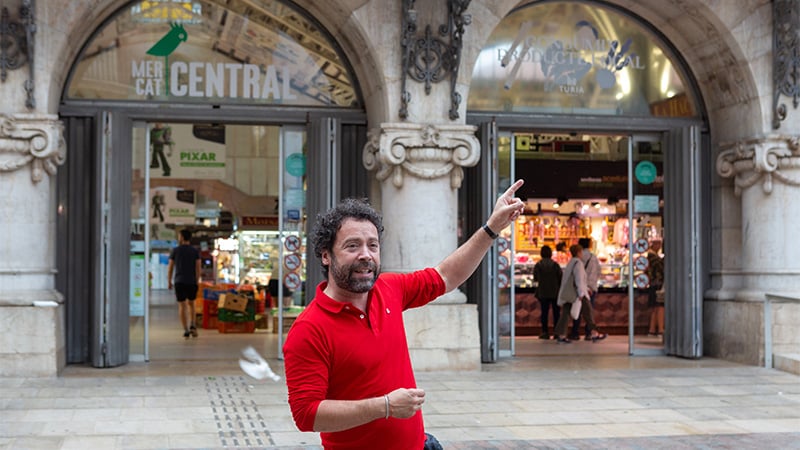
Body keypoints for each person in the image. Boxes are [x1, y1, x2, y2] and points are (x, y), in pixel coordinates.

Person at [282, 180, 525, 450]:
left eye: (373, 245)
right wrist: (385, 406)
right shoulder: (309, 329)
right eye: (352, 246)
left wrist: (491, 228)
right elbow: (306, 414)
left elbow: (446, 276)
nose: (366, 255)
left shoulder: (389, 289)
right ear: (326, 255)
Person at [553, 244, 607, 344]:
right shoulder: (578, 264)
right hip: (578, 293)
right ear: (578, 252)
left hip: (571, 293)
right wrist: (582, 292)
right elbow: (579, 279)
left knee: (566, 313)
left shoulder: (571, 262)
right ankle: (594, 333)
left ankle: (561, 335)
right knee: (588, 312)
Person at [168, 229, 201, 339]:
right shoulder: (194, 251)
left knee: (182, 305)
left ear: (182, 237)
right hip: (191, 281)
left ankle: (186, 330)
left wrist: (169, 281)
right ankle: (193, 325)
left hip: (179, 281)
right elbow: (198, 267)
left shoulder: (175, 251)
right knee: (192, 303)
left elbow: (170, 267)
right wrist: (197, 280)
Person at [570, 237, 600, 340]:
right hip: (591, 287)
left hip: (580, 286)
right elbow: (598, 271)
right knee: (589, 311)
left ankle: (575, 332)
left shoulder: (578, 258)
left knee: (577, 309)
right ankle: (589, 333)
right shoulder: (593, 257)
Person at [533, 245, 562, 339]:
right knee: (556, 313)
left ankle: (545, 332)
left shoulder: (538, 265)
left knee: (544, 313)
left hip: (543, 292)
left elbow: (535, 278)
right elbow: (560, 277)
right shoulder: (555, 265)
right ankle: (557, 332)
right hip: (555, 291)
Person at [647, 238, 665, 336]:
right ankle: (660, 329)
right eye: (658, 244)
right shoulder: (652, 256)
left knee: (655, 307)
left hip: (653, 284)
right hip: (657, 284)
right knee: (659, 306)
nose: (659, 246)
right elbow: (661, 267)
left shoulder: (652, 256)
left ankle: (652, 329)